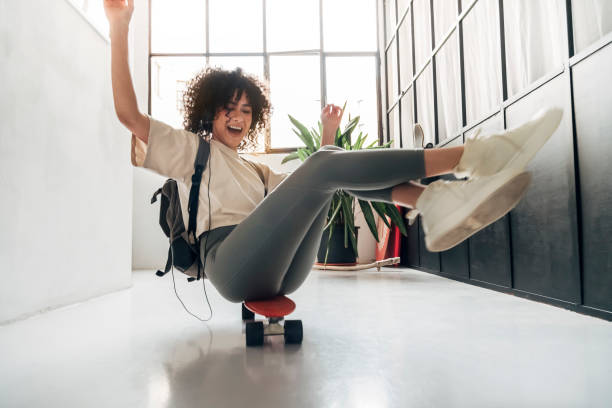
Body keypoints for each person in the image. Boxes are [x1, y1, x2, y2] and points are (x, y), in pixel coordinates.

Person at [104, 0, 562, 302]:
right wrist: (119, 24)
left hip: (284, 269)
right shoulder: (192, 152)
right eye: (228, 108)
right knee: (325, 169)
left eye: (246, 109)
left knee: (328, 174)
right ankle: (470, 157)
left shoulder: (254, 170)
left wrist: (328, 137)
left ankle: (432, 201)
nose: (237, 117)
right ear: (211, 112)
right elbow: (128, 114)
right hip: (230, 264)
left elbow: (323, 181)